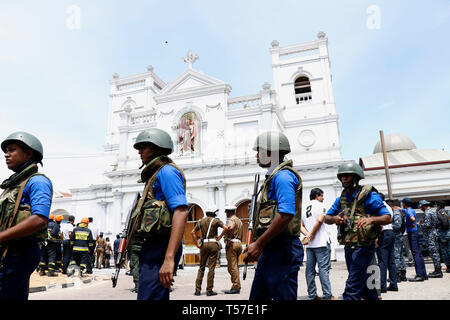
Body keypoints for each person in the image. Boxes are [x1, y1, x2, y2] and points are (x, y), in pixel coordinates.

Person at [243, 131, 303, 301]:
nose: (256, 156)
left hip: (282, 249)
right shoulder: (273, 177)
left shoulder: (283, 177)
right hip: (271, 249)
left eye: (259, 151)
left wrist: (258, 244)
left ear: (271, 153)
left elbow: (286, 214)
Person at [131, 128, 189, 300]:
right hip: (152, 246)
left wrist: (169, 258)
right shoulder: (155, 175)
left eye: (144, 146)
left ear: (158, 148)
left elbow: (181, 211)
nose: (140, 151)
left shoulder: (167, 172)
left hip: (161, 247)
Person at [324, 162, 391, 300]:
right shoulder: (341, 198)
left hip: (364, 247)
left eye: (347, 176)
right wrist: (336, 219)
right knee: (366, 285)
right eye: (342, 176)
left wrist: (371, 220)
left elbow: (387, 218)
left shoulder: (368, 195)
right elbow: (326, 218)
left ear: (355, 177)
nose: (344, 179)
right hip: (349, 247)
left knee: (352, 286)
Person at [0, 131, 52, 300]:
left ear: (29, 153)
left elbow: (39, 219)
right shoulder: (13, 185)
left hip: (19, 252)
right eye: (6, 151)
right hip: (9, 251)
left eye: (12, 150)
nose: (6, 155)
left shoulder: (37, 181)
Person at [301, 188, 334, 300]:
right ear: (317, 196)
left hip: (310, 245)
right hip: (321, 242)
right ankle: (327, 295)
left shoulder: (304, 207)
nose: (323, 198)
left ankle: (312, 295)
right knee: (323, 269)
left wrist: (308, 235)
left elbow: (300, 225)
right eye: (322, 196)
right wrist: (313, 234)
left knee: (309, 270)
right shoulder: (320, 205)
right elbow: (320, 220)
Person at [192, 206, 227, 296]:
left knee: (201, 267)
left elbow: (192, 232)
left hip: (203, 245)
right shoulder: (216, 221)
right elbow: (226, 228)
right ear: (214, 213)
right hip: (213, 245)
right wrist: (219, 237)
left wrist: (197, 244)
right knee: (211, 268)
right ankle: (209, 290)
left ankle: (197, 290)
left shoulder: (201, 221)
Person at [396, 198, 427, 282]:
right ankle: (424, 274)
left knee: (415, 254)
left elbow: (412, 218)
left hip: (412, 233)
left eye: (402, 203)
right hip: (415, 233)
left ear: (405, 204)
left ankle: (419, 275)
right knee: (419, 254)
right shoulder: (411, 210)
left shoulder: (409, 210)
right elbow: (404, 211)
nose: (402, 204)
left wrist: (411, 223)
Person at [217, 205, 242, 294]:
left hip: (232, 244)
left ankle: (236, 286)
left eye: (226, 212)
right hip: (238, 243)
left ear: (228, 212)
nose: (226, 214)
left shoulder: (231, 219)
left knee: (232, 267)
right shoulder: (239, 220)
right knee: (235, 266)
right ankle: (237, 284)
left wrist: (221, 236)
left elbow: (229, 227)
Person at [376, 195, 398, 293]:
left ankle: (382, 286)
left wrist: (376, 237)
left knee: (382, 261)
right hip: (391, 232)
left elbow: (381, 222)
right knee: (391, 260)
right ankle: (393, 284)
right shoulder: (388, 206)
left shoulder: (380, 206)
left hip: (383, 233)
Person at [419, 200, 442, 278]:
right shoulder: (432, 211)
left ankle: (438, 271)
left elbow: (428, 224)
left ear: (424, 206)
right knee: (436, 252)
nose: (421, 208)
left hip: (430, 235)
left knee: (434, 253)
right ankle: (437, 270)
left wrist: (420, 224)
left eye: (421, 207)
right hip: (434, 233)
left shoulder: (427, 212)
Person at [387, 200, 407, 282]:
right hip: (398, 236)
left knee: (396, 256)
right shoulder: (396, 212)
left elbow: (397, 225)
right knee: (400, 255)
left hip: (396, 236)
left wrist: (387, 225)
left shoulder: (396, 213)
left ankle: (398, 275)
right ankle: (402, 273)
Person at [436, 201, 450, 273]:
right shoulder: (448, 212)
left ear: (439, 206)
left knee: (445, 252)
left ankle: (448, 267)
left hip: (443, 236)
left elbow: (436, 224)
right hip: (449, 234)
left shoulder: (438, 213)